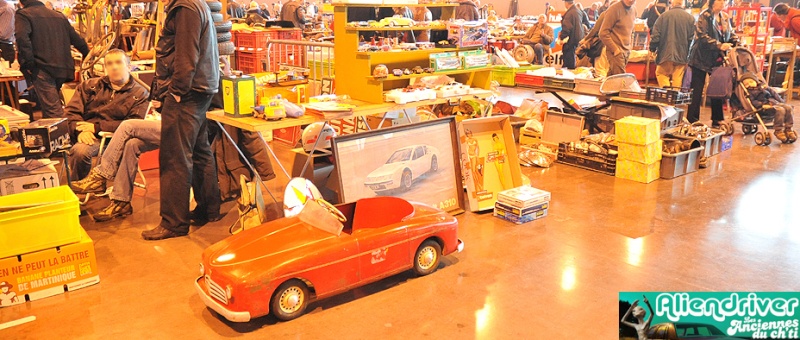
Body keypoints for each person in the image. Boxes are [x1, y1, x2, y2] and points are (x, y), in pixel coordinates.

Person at [145, 0, 221, 240]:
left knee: (175, 156)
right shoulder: (195, 4)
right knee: (199, 151)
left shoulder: (186, 8)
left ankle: (174, 223)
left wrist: (176, 90)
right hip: (199, 89)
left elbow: (186, 56)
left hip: (187, 92)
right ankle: (209, 209)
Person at [65, 49, 149, 180]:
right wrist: (79, 131)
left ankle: (85, 186)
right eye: (109, 64)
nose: (114, 67)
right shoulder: (89, 86)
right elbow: (70, 112)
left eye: (118, 62)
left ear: (128, 66)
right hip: (86, 135)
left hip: (115, 139)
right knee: (79, 151)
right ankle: (79, 186)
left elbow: (134, 125)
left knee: (80, 151)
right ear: (105, 68)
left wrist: (97, 127)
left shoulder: (140, 94)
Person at [72, 118, 161, 221]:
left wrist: (97, 127)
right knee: (131, 144)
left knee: (127, 125)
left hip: (177, 124)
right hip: (91, 134)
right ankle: (121, 203)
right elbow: (71, 114)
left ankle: (100, 176)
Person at [16, 0, 89, 119]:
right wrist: (88, 56)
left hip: (42, 68)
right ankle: (52, 135)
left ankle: (65, 136)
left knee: (53, 111)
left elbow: (22, 39)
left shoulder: (23, 14)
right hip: (62, 68)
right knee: (50, 107)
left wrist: (28, 64)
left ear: (21, 2)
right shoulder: (59, 16)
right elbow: (78, 40)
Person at [687, 0, 737, 126]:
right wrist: (719, 45)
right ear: (712, 2)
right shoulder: (705, 16)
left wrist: (737, 42)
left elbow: (730, 34)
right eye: (720, 1)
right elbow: (702, 36)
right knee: (697, 90)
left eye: (724, 1)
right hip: (701, 58)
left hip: (717, 59)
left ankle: (717, 119)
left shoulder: (724, 17)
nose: (723, 3)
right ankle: (693, 120)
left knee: (717, 88)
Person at [649, 0, 695, 88]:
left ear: (672, 3)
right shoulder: (690, 18)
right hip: (682, 55)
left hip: (664, 53)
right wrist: (688, 55)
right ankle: (674, 97)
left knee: (661, 74)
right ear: (683, 4)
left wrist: (652, 48)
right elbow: (691, 39)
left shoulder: (663, 17)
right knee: (677, 78)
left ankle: (666, 95)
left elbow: (655, 36)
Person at [742, 76, 797, 143]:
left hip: (773, 102)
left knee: (788, 107)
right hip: (763, 108)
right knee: (780, 110)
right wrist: (762, 104)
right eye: (746, 84)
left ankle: (788, 128)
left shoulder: (764, 87)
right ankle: (778, 130)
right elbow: (753, 102)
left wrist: (781, 102)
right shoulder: (749, 92)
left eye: (751, 82)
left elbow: (774, 94)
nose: (749, 84)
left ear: (756, 81)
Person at [598, 0, 636, 76]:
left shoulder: (634, 10)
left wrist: (630, 46)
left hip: (626, 51)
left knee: (612, 79)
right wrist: (615, 50)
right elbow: (603, 33)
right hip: (616, 51)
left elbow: (632, 30)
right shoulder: (614, 9)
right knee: (620, 81)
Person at [558, 0, 584, 70]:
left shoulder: (569, 13)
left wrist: (561, 38)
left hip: (570, 42)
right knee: (571, 61)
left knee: (569, 64)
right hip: (577, 40)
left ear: (566, 3)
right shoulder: (578, 11)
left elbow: (566, 28)